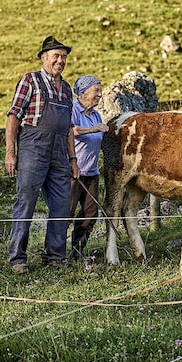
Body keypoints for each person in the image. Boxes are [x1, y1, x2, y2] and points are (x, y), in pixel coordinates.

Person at [5, 36, 80, 274]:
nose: (60, 60)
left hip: (59, 151)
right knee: (25, 202)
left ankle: (55, 256)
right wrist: (11, 153)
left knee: (61, 203)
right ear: (44, 57)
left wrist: (73, 159)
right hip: (32, 148)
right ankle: (18, 258)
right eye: (56, 56)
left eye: (64, 57)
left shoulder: (67, 89)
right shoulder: (30, 80)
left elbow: (68, 126)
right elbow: (13, 116)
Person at [68, 75, 109, 260]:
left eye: (100, 91)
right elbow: (72, 131)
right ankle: (55, 254)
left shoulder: (96, 115)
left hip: (91, 172)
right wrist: (94, 129)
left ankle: (77, 252)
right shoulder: (73, 109)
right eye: (96, 91)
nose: (100, 95)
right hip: (73, 171)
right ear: (83, 93)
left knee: (90, 213)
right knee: (65, 213)